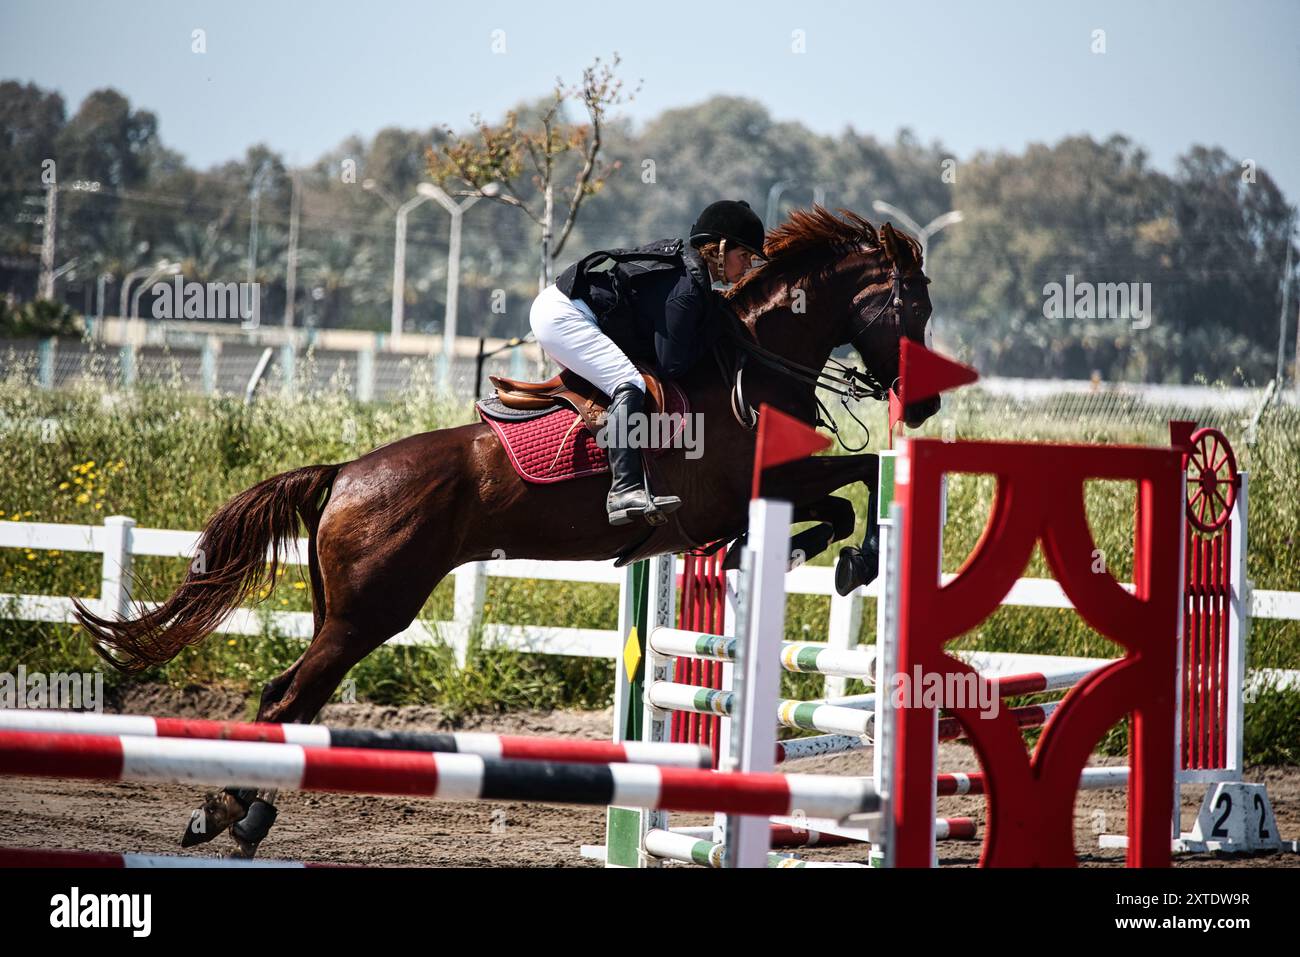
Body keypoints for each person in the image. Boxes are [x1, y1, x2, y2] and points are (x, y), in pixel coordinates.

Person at [531, 200, 766, 526]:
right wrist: (716, 326)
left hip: (570, 310)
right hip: (564, 316)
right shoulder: (686, 287)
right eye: (744, 257)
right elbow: (671, 363)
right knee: (630, 383)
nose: (746, 267)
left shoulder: (691, 276)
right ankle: (624, 489)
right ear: (720, 248)